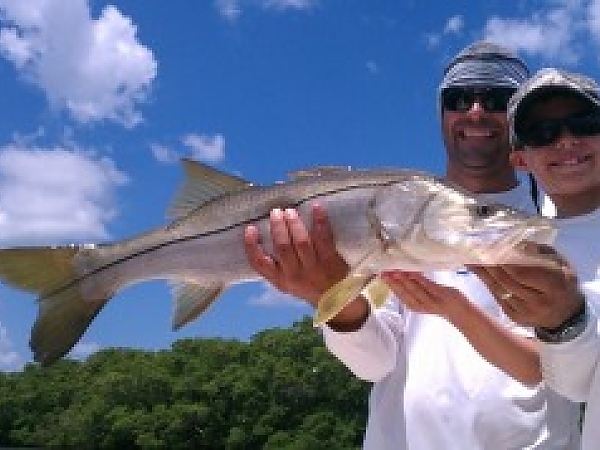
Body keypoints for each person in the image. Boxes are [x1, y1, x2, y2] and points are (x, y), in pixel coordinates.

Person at [244, 43, 581, 449]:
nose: (475, 111)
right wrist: (332, 300)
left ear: (519, 117)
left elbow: (569, 363)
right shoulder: (393, 213)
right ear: (442, 117)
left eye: (496, 99)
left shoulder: (558, 224)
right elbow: (373, 362)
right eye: (459, 99)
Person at [470, 67, 600, 450]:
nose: (565, 141)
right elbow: (570, 383)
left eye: (584, 123)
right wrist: (564, 323)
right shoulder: (526, 250)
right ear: (520, 159)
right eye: (542, 133)